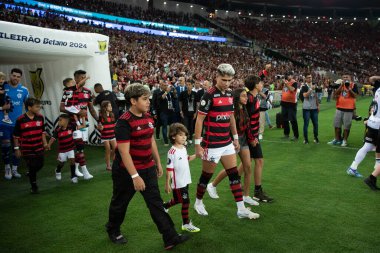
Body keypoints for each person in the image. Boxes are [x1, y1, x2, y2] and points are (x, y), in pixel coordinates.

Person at [105, 83, 189, 249]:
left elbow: (151, 140)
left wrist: (157, 162)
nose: (148, 102)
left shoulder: (148, 116)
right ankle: (113, 230)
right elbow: (123, 152)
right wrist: (135, 176)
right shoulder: (123, 122)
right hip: (126, 172)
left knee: (156, 203)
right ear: (133, 101)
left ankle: (170, 237)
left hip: (147, 167)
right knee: (120, 202)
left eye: (148, 98)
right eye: (144, 99)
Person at [193, 63, 259, 219]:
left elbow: (230, 117)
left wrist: (235, 138)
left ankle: (241, 209)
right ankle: (198, 202)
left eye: (229, 80)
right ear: (216, 77)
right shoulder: (208, 95)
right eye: (224, 80)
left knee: (234, 175)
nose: (227, 83)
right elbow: (199, 120)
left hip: (227, 142)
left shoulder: (230, 94)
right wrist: (197, 144)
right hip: (212, 144)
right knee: (206, 176)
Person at [206, 88, 260, 206]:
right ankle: (212, 185)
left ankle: (246, 196)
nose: (246, 98)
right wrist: (234, 140)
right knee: (231, 169)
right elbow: (229, 127)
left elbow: (247, 126)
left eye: (246, 96)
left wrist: (251, 139)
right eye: (243, 96)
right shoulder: (233, 110)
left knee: (248, 167)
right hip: (232, 140)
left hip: (243, 140)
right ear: (237, 98)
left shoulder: (244, 109)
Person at [60, 70, 98, 179]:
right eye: (81, 77)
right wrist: (77, 112)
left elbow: (91, 108)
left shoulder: (87, 92)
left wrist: (98, 120)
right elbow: (61, 108)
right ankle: (85, 171)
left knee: (81, 147)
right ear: (75, 79)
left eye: (84, 77)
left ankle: (76, 169)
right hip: (73, 124)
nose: (83, 79)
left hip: (84, 123)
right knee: (80, 147)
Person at [163, 123, 200, 232]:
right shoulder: (172, 152)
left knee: (179, 199)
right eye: (180, 135)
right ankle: (186, 223)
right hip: (178, 182)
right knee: (185, 201)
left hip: (186, 180)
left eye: (185, 135)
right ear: (173, 136)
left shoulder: (183, 148)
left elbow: (187, 158)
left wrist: (196, 155)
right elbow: (169, 169)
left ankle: (165, 206)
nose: (184, 137)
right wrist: (167, 183)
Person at [347, 76, 380, 178]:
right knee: (374, 147)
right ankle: (376, 169)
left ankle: (353, 168)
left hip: (372, 122)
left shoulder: (378, 88)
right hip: (378, 124)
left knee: (368, 146)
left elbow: (372, 79)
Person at [13, 98, 47, 193]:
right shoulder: (20, 120)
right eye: (36, 106)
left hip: (39, 146)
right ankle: (34, 186)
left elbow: (42, 132)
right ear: (29, 107)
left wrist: (44, 143)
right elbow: (16, 136)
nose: (39, 108)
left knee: (40, 164)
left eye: (39, 106)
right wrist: (17, 149)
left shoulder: (40, 117)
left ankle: (31, 173)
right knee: (32, 166)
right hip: (27, 148)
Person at [0, 68, 29, 180]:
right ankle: (7, 167)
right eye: (14, 75)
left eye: (18, 76)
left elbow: (27, 106)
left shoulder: (24, 90)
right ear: (10, 76)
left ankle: (15, 168)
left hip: (18, 124)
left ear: (20, 78)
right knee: (6, 145)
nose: (15, 78)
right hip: (3, 123)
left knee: (17, 146)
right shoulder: (3, 86)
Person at [328, 74, 358, 147]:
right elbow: (335, 94)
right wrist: (341, 86)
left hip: (349, 109)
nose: (345, 78)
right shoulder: (340, 85)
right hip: (339, 108)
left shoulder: (354, 85)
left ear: (350, 78)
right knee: (336, 125)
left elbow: (355, 96)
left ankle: (344, 140)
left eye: (347, 77)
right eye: (344, 77)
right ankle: (337, 139)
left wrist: (349, 89)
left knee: (346, 126)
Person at [47, 114, 77, 183]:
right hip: (62, 150)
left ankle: (73, 176)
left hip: (71, 148)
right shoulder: (58, 130)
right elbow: (53, 138)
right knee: (62, 163)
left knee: (72, 161)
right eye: (58, 120)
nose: (59, 122)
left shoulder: (71, 126)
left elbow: (80, 126)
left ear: (66, 121)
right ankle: (58, 170)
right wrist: (49, 144)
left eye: (60, 120)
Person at [299, 73, 319, 144]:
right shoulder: (304, 86)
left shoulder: (314, 85)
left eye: (310, 77)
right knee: (306, 124)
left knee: (316, 124)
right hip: (306, 108)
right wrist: (311, 89)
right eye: (308, 77)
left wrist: (318, 105)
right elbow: (304, 95)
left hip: (314, 108)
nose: (310, 79)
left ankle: (316, 138)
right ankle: (306, 139)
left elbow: (316, 96)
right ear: (305, 79)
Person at [97, 100, 116, 171]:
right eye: (109, 106)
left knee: (115, 148)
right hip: (105, 136)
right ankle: (108, 166)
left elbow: (114, 124)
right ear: (105, 108)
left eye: (111, 106)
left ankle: (114, 162)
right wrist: (100, 127)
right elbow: (99, 126)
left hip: (112, 135)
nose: (111, 107)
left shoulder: (112, 115)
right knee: (108, 149)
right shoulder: (101, 116)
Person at [280, 73, 299, 141]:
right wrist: (282, 83)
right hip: (284, 103)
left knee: (293, 120)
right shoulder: (285, 82)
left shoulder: (294, 82)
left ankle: (296, 135)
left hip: (291, 104)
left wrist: (286, 84)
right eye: (287, 75)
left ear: (291, 76)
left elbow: (292, 89)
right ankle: (286, 134)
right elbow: (281, 89)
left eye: (289, 75)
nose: (287, 76)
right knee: (284, 119)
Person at [158, 81, 176, 146]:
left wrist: (174, 91)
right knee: (164, 126)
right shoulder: (160, 93)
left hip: (170, 112)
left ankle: (171, 139)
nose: (166, 86)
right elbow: (162, 97)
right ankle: (166, 141)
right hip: (164, 113)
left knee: (172, 127)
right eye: (164, 85)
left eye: (166, 85)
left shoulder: (169, 93)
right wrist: (166, 92)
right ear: (161, 86)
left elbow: (173, 99)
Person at [179, 80, 197, 144]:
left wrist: (196, 113)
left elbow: (197, 104)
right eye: (187, 85)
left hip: (192, 113)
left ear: (192, 85)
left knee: (191, 126)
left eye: (189, 85)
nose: (188, 86)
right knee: (185, 126)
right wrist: (181, 111)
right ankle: (185, 139)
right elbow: (180, 103)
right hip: (185, 113)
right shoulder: (183, 93)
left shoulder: (195, 94)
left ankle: (190, 138)